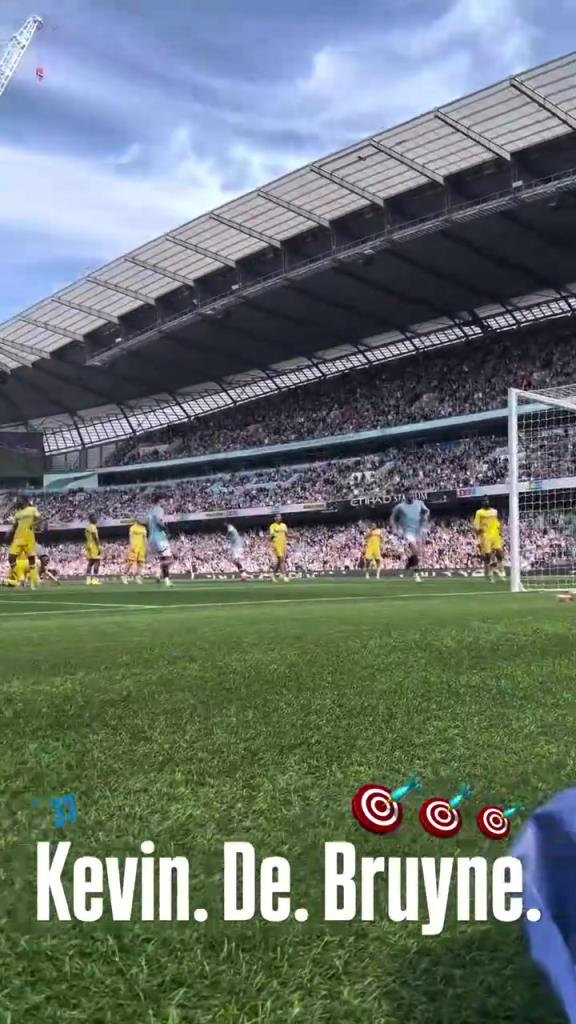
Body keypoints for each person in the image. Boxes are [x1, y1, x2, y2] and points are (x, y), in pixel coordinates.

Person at [390, 489, 430, 582]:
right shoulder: (400, 507)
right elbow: (393, 518)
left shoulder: (419, 503)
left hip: (418, 531)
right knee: (415, 550)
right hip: (407, 532)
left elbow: (426, 511)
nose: (412, 496)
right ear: (405, 495)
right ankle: (416, 574)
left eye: (413, 494)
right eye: (410, 494)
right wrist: (395, 528)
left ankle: (408, 566)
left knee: (417, 552)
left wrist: (425, 516)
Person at [8, 496, 40, 589]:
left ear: (24, 501)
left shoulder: (32, 509)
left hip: (29, 538)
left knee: (31, 560)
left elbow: (39, 518)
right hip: (17, 538)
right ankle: (21, 579)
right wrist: (9, 532)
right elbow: (15, 526)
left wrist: (35, 525)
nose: (17, 502)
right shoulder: (17, 513)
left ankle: (33, 585)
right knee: (11, 558)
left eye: (19, 500)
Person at [474, 496, 505, 582]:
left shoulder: (494, 511)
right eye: (484, 501)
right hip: (485, 536)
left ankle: (501, 569)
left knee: (499, 552)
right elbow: (476, 525)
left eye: (487, 500)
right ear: (482, 503)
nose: (486, 502)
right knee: (488, 555)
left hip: (495, 535)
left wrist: (500, 530)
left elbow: (499, 521)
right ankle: (489, 573)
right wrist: (478, 530)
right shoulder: (479, 512)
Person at [148, 494, 172, 586]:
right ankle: (159, 574)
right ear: (159, 501)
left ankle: (165, 579)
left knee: (163, 558)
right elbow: (158, 521)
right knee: (169, 559)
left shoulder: (150, 511)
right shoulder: (159, 509)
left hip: (152, 538)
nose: (165, 502)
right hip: (160, 538)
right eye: (163, 500)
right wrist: (166, 529)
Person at [123, 519, 148, 583]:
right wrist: (131, 545)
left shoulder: (143, 528)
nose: (142, 519)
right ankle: (124, 575)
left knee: (141, 563)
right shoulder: (133, 527)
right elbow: (130, 537)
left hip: (142, 547)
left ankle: (138, 577)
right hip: (134, 547)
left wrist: (146, 547)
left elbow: (145, 538)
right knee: (130, 562)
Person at [269, 513, 288, 581]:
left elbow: (286, 535)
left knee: (280, 561)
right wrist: (272, 537)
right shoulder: (272, 526)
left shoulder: (284, 525)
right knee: (281, 559)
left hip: (283, 544)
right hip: (276, 544)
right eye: (278, 517)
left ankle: (273, 576)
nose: (279, 518)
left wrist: (294, 536)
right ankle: (284, 576)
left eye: (280, 516)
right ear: (275, 518)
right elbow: (271, 536)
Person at [85, 514, 102, 585]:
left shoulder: (87, 526)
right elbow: (95, 537)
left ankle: (88, 580)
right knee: (97, 562)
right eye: (94, 518)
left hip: (88, 545)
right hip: (94, 546)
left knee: (90, 562)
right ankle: (95, 579)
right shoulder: (93, 527)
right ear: (91, 519)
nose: (96, 519)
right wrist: (99, 546)